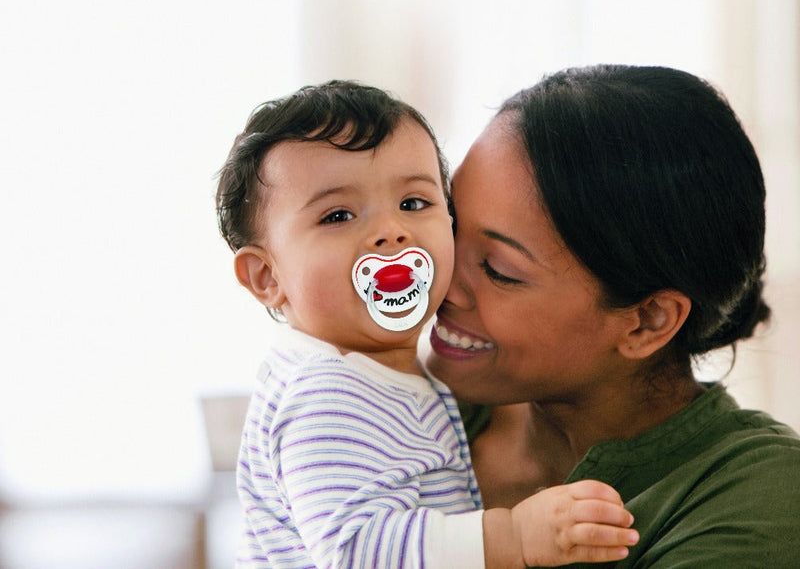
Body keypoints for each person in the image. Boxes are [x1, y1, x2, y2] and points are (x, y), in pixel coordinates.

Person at [216, 80, 639, 569]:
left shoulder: (379, 375)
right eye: (338, 215)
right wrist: (514, 535)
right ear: (267, 277)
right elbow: (358, 552)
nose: (391, 231)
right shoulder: (326, 395)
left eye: (414, 204)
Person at [426, 63, 800, 567]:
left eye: (498, 270)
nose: (436, 278)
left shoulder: (757, 496)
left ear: (648, 321)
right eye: (445, 227)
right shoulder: (398, 407)